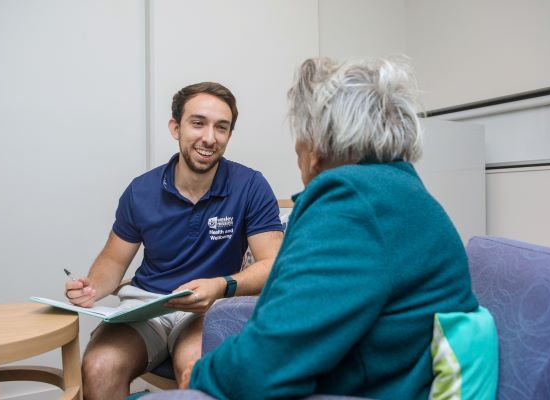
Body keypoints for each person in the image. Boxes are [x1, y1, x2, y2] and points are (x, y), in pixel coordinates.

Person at [177, 59, 495, 399]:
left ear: (316, 144)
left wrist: (199, 375)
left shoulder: (352, 203)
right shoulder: (396, 190)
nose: (296, 146)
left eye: (299, 131)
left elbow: (263, 368)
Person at [64, 82, 284, 400]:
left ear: (229, 135)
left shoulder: (250, 185)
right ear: (175, 127)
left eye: (221, 128)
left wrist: (222, 286)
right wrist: (92, 287)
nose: (209, 138)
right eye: (198, 123)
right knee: (99, 366)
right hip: (145, 306)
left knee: (194, 372)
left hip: (208, 308)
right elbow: (113, 261)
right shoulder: (140, 190)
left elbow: (272, 265)